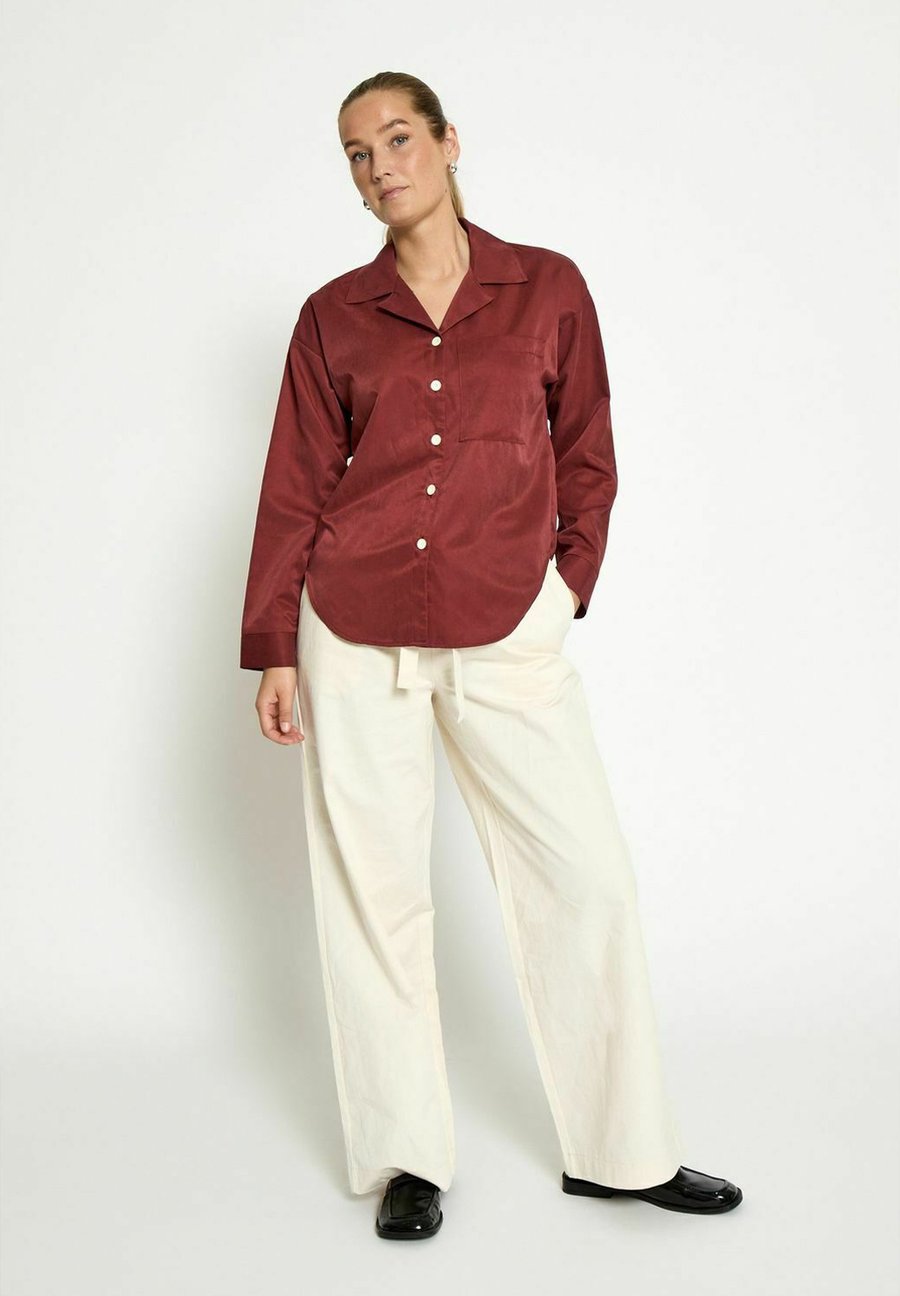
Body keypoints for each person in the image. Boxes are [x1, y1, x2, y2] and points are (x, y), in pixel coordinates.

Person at [240, 70, 743, 1240]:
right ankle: (407, 1156)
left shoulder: (547, 288)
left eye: (397, 138)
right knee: (376, 898)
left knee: (586, 878)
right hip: (354, 626)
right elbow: (294, 485)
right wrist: (274, 646)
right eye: (357, 154)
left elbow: (589, 454)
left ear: (449, 141)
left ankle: (623, 1151)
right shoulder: (331, 317)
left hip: (507, 618)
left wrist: (565, 589)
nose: (380, 167)